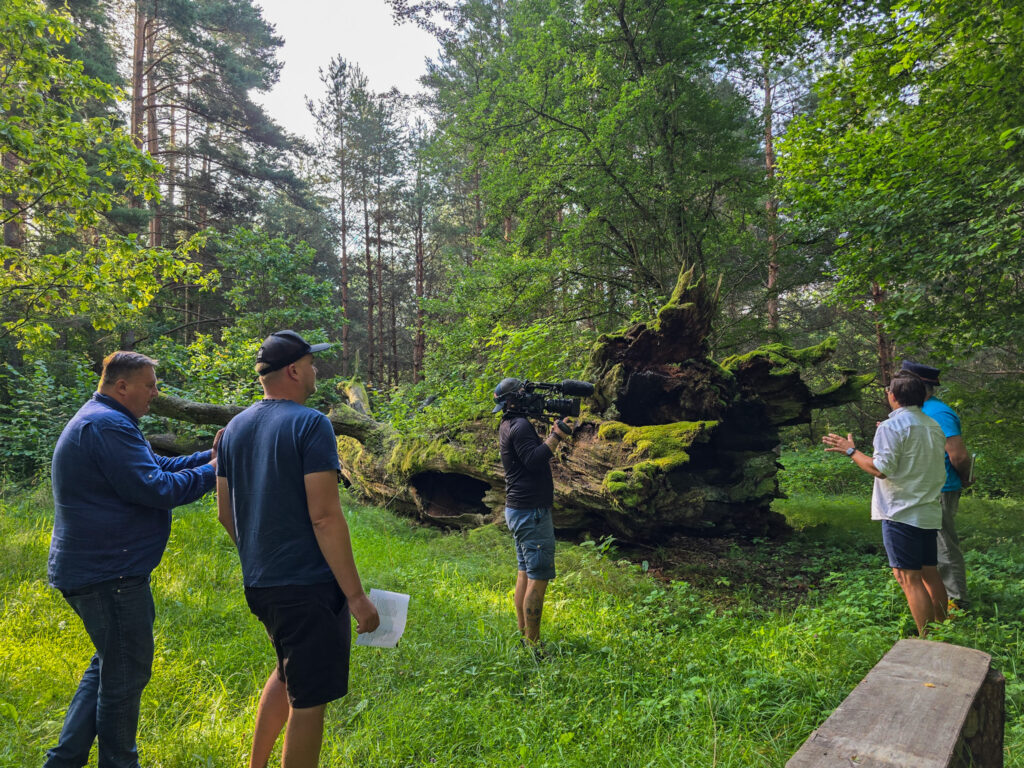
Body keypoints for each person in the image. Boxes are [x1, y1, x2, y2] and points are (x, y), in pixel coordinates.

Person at [45, 351, 219, 768]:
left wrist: (214, 458)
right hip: (109, 574)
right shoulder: (104, 425)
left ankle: (63, 761)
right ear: (122, 386)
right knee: (124, 678)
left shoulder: (108, 421)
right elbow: (158, 488)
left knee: (110, 666)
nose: (156, 395)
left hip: (101, 571)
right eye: (150, 386)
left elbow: (158, 465)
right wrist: (218, 471)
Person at [216, 330, 379, 768]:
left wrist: (259, 558)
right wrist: (356, 597)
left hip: (262, 584)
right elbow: (324, 517)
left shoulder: (233, 429)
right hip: (307, 587)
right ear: (292, 370)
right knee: (309, 702)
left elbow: (225, 515)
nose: (315, 370)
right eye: (311, 363)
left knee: (288, 672)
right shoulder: (311, 424)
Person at [822, 370, 948, 636]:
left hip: (900, 511)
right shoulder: (933, 426)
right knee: (929, 573)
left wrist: (850, 450)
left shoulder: (892, 427)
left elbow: (881, 470)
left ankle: (928, 640)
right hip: (927, 509)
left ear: (892, 396)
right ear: (922, 397)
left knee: (908, 578)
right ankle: (944, 631)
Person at [493, 378, 572, 648]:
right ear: (515, 400)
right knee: (538, 578)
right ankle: (533, 645)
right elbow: (534, 459)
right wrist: (557, 435)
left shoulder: (507, 424)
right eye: (524, 395)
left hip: (518, 510)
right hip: (531, 513)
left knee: (524, 573)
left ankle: (523, 635)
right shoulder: (521, 426)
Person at [901, 360, 973, 611]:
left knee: (943, 545)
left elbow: (958, 455)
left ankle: (957, 601)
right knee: (930, 547)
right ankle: (940, 598)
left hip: (940, 488)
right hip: (924, 488)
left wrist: (964, 478)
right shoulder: (919, 411)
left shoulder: (938, 412)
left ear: (921, 386)